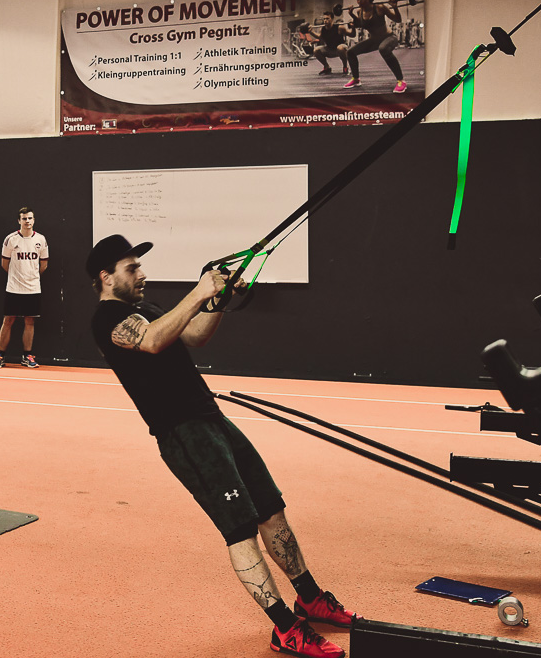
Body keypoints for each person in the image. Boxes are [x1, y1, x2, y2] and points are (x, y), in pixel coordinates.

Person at [88, 235, 357, 658]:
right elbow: (153, 340)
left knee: (271, 507)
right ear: (106, 277)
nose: (142, 275)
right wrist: (199, 291)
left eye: (140, 266)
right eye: (132, 268)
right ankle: (285, 628)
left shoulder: (149, 308)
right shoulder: (107, 319)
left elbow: (195, 334)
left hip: (212, 419)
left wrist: (218, 301)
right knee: (239, 528)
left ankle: (310, 597)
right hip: (183, 433)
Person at [0, 207, 49, 369]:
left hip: (33, 288)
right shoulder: (10, 239)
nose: (27, 221)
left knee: (30, 321)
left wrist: (31, 276)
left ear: (34, 220)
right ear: (19, 221)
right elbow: (5, 264)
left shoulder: (41, 239)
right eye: (24, 219)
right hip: (13, 287)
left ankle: (27, 355)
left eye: (30, 218)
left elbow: (44, 265)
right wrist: (16, 277)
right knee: (8, 320)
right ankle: (0, 355)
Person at [342, 0, 406, 94]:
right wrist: (352, 15)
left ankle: (401, 81)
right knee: (350, 52)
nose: (359, 1)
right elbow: (359, 25)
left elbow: (398, 20)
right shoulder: (359, 12)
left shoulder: (380, 8)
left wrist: (395, 7)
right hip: (374, 40)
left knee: (383, 49)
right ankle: (356, 79)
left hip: (389, 37)